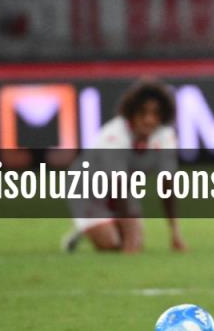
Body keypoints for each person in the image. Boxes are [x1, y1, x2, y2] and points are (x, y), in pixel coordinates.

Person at [62, 80, 186, 253]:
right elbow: (117, 185)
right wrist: (130, 237)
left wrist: (175, 232)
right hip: (87, 189)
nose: (149, 120)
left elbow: (167, 185)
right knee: (113, 244)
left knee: (134, 243)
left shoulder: (165, 136)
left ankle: (96, 227)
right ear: (131, 113)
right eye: (143, 112)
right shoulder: (114, 136)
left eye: (155, 113)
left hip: (123, 190)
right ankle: (86, 228)